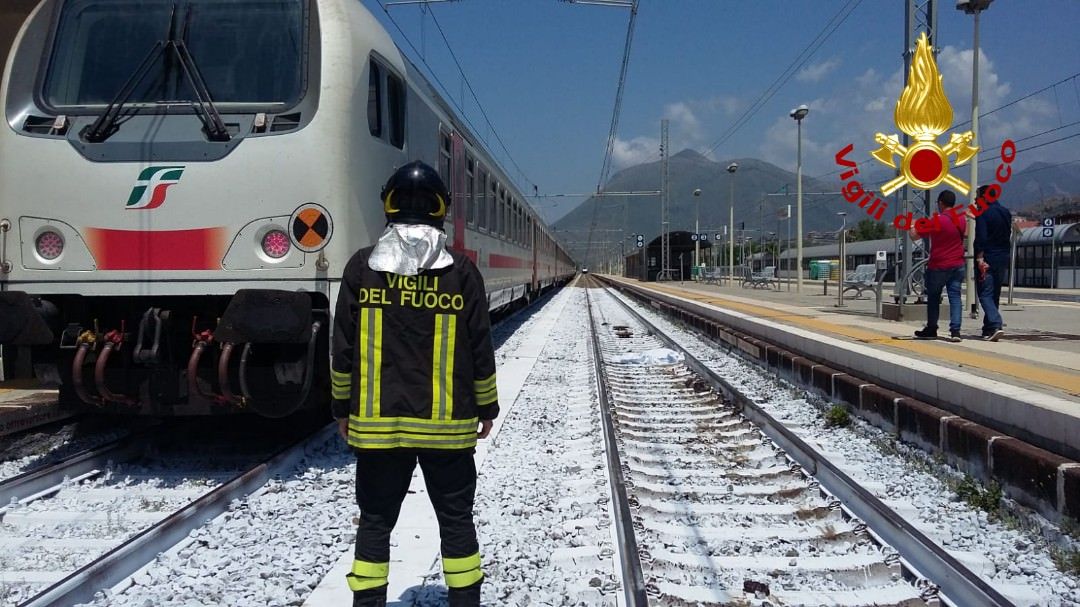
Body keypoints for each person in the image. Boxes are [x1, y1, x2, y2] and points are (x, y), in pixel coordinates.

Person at [331, 161, 499, 607]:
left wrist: (341, 409)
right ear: (441, 209)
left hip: (379, 429)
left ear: (388, 206)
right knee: (456, 521)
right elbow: (480, 350)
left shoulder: (361, 269)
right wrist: (487, 409)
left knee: (375, 522)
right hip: (448, 432)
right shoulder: (462, 273)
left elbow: (342, 350)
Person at [913, 190, 966, 342]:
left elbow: (914, 235)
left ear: (941, 203)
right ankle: (955, 331)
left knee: (934, 297)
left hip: (939, 265)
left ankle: (932, 328)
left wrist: (912, 225)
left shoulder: (937, 220)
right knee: (955, 297)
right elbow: (965, 234)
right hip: (958, 264)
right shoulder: (961, 219)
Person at [974, 184, 1012, 341]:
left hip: (988, 257)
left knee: (984, 294)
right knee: (994, 294)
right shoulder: (1006, 212)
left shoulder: (982, 212)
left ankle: (996, 324)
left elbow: (982, 237)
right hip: (1002, 257)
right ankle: (988, 328)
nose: (975, 200)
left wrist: (979, 257)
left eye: (977, 196)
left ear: (984, 197)